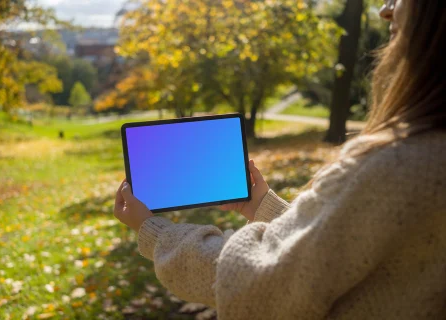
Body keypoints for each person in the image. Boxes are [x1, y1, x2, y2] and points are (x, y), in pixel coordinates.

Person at [114, 0, 446, 318]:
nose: (385, 10)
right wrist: (265, 209)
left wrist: (154, 231)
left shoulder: (397, 166)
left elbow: (258, 283)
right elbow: (341, 256)